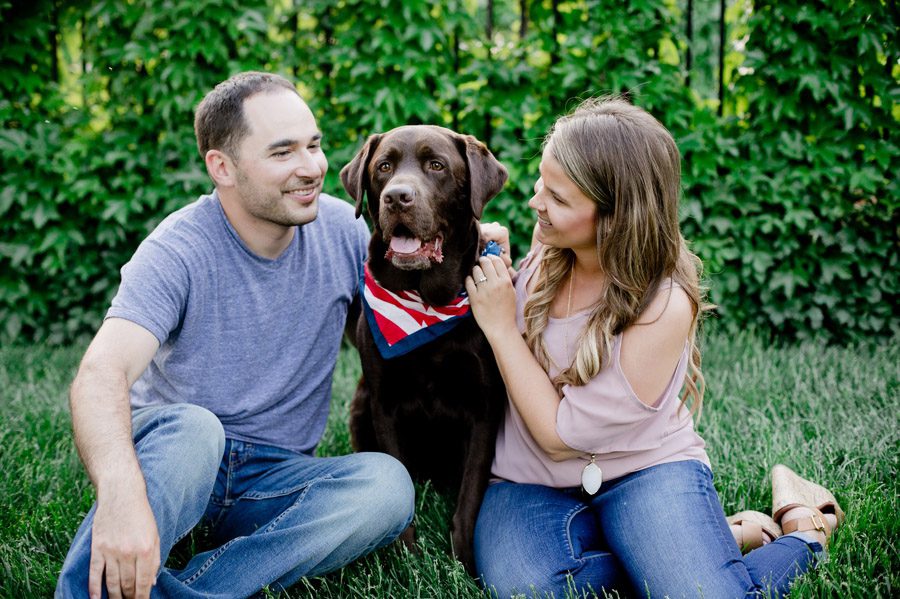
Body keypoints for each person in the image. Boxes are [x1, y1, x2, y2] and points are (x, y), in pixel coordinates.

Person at [465, 97, 844, 598]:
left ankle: (806, 529)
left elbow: (561, 434)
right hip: (527, 479)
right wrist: (505, 277)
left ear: (615, 217)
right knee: (529, 590)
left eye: (557, 197)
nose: (535, 201)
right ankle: (709, 546)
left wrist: (499, 326)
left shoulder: (664, 304)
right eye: (541, 181)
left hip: (643, 469)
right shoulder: (552, 250)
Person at [56, 71, 415, 599]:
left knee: (387, 485)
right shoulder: (177, 249)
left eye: (313, 145)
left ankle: (196, 590)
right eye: (282, 152)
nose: (311, 168)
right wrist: (121, 495)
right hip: (178, 464)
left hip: (274, 477)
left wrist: (474, 247)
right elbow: (99, 374)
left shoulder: (342, 231)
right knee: (198, 430)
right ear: (222, 167)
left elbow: (417, 315)